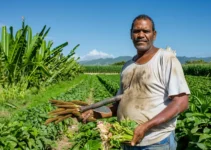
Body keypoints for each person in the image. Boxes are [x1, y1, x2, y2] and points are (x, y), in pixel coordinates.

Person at [82, 14, 190, 150]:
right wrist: (95, 114)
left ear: (154, 35)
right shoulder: (127, 66)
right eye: (136, 31)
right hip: (128, 139)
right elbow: (120, 105)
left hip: (156, 142)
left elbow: (181, 102)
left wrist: (146, 126)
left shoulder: (166, 59)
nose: (141, 35)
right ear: (131, 35)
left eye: (146, 31)